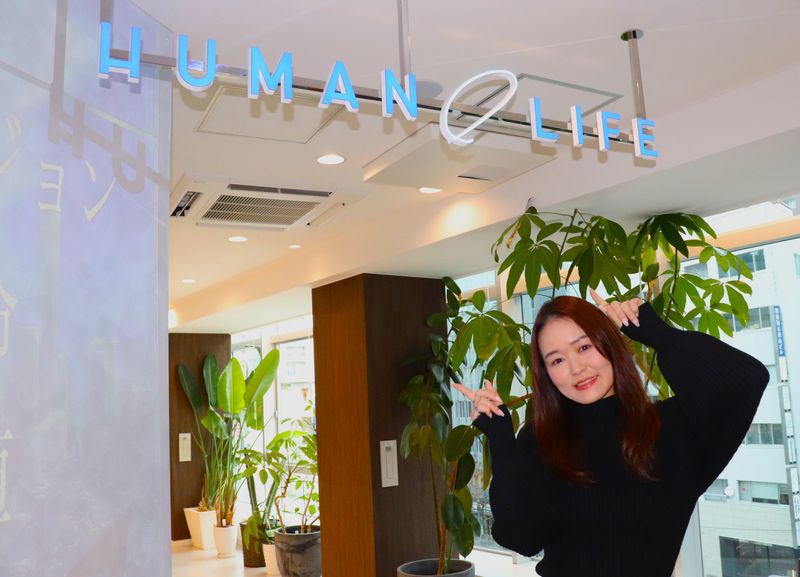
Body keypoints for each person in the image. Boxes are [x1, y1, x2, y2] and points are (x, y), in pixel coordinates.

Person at [452, 289, 769, 577]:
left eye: (584, 347)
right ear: (546, 374)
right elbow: (522, 538)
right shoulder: (539, 439)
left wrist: (658, 334)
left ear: (610, 345)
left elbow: (746, 380)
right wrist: (503, 443)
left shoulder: (672, 428)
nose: (576, 368)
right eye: (557, 359)